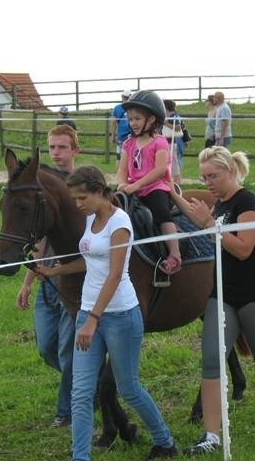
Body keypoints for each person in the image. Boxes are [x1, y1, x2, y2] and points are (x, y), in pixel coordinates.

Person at [34, 165, 178, 461]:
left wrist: (93, 321)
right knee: (81, 391)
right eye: (74, 199)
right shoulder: (89, 219)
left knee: (129, 388)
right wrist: (55, 269)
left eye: (82, 198)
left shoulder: (120, 222)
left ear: (100, 192)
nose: (78, 205)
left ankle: (164, 441)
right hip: (90, 312)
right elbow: (91, 261)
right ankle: (80, 457)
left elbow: (114, 273)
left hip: (119, 315)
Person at [169, 146, 255, 454]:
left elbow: (243, 248)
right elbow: (199, 217)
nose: (208, 182)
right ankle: (211, 436)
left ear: (232, 172)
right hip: (222, 294)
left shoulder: (247, 201)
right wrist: (171, 192)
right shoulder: (220, 204)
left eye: (214, 176)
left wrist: (209, 224)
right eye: (204, 176)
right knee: (211, 361)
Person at [16, 124, 80, 429]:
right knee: (46, 348)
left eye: (62, 147)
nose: (56, 153)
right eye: (52, 147)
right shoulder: (41, 185)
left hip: (71, 282)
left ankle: (65, 411)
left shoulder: (82, 186)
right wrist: (27, 283)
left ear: (74, 150)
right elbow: (39, 238)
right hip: (46, 280)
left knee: (68, 351)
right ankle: (88, 378)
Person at [117, 90, 181, 275]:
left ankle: (174, 254)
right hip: (131, 188)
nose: (133, 123)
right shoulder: (128, 144)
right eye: (130, 119)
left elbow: (160, 170)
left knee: (161, 212)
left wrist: (137, 185)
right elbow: (122, 169)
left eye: (137, 118)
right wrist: (122, 183)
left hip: (154, 187)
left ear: (152, 119)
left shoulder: (159, 142)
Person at [163, 99, 184, 184]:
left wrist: (166, 124)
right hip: (166, 141)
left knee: (174, 161)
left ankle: (177, 181)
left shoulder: (173, 116)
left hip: (171, 142)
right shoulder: (167, 115)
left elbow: (178, 127)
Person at [110, 90, 133, 165]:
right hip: (132, 136)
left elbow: (113, 123)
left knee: (118, 158)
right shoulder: (133, 107)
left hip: (121, 136)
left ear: (122, 97)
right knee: (130, 157)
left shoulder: (117, 108)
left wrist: (112, 135)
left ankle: (117, 175)